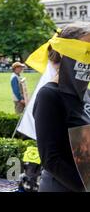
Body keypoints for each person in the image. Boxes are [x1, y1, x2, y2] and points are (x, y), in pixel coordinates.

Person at [30, 23, 90, 192]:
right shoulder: (49, 95)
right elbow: (51, 159)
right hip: (63, 187)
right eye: (85, 51)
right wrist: (85, 186)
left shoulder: (86, 93)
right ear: (64, 52)